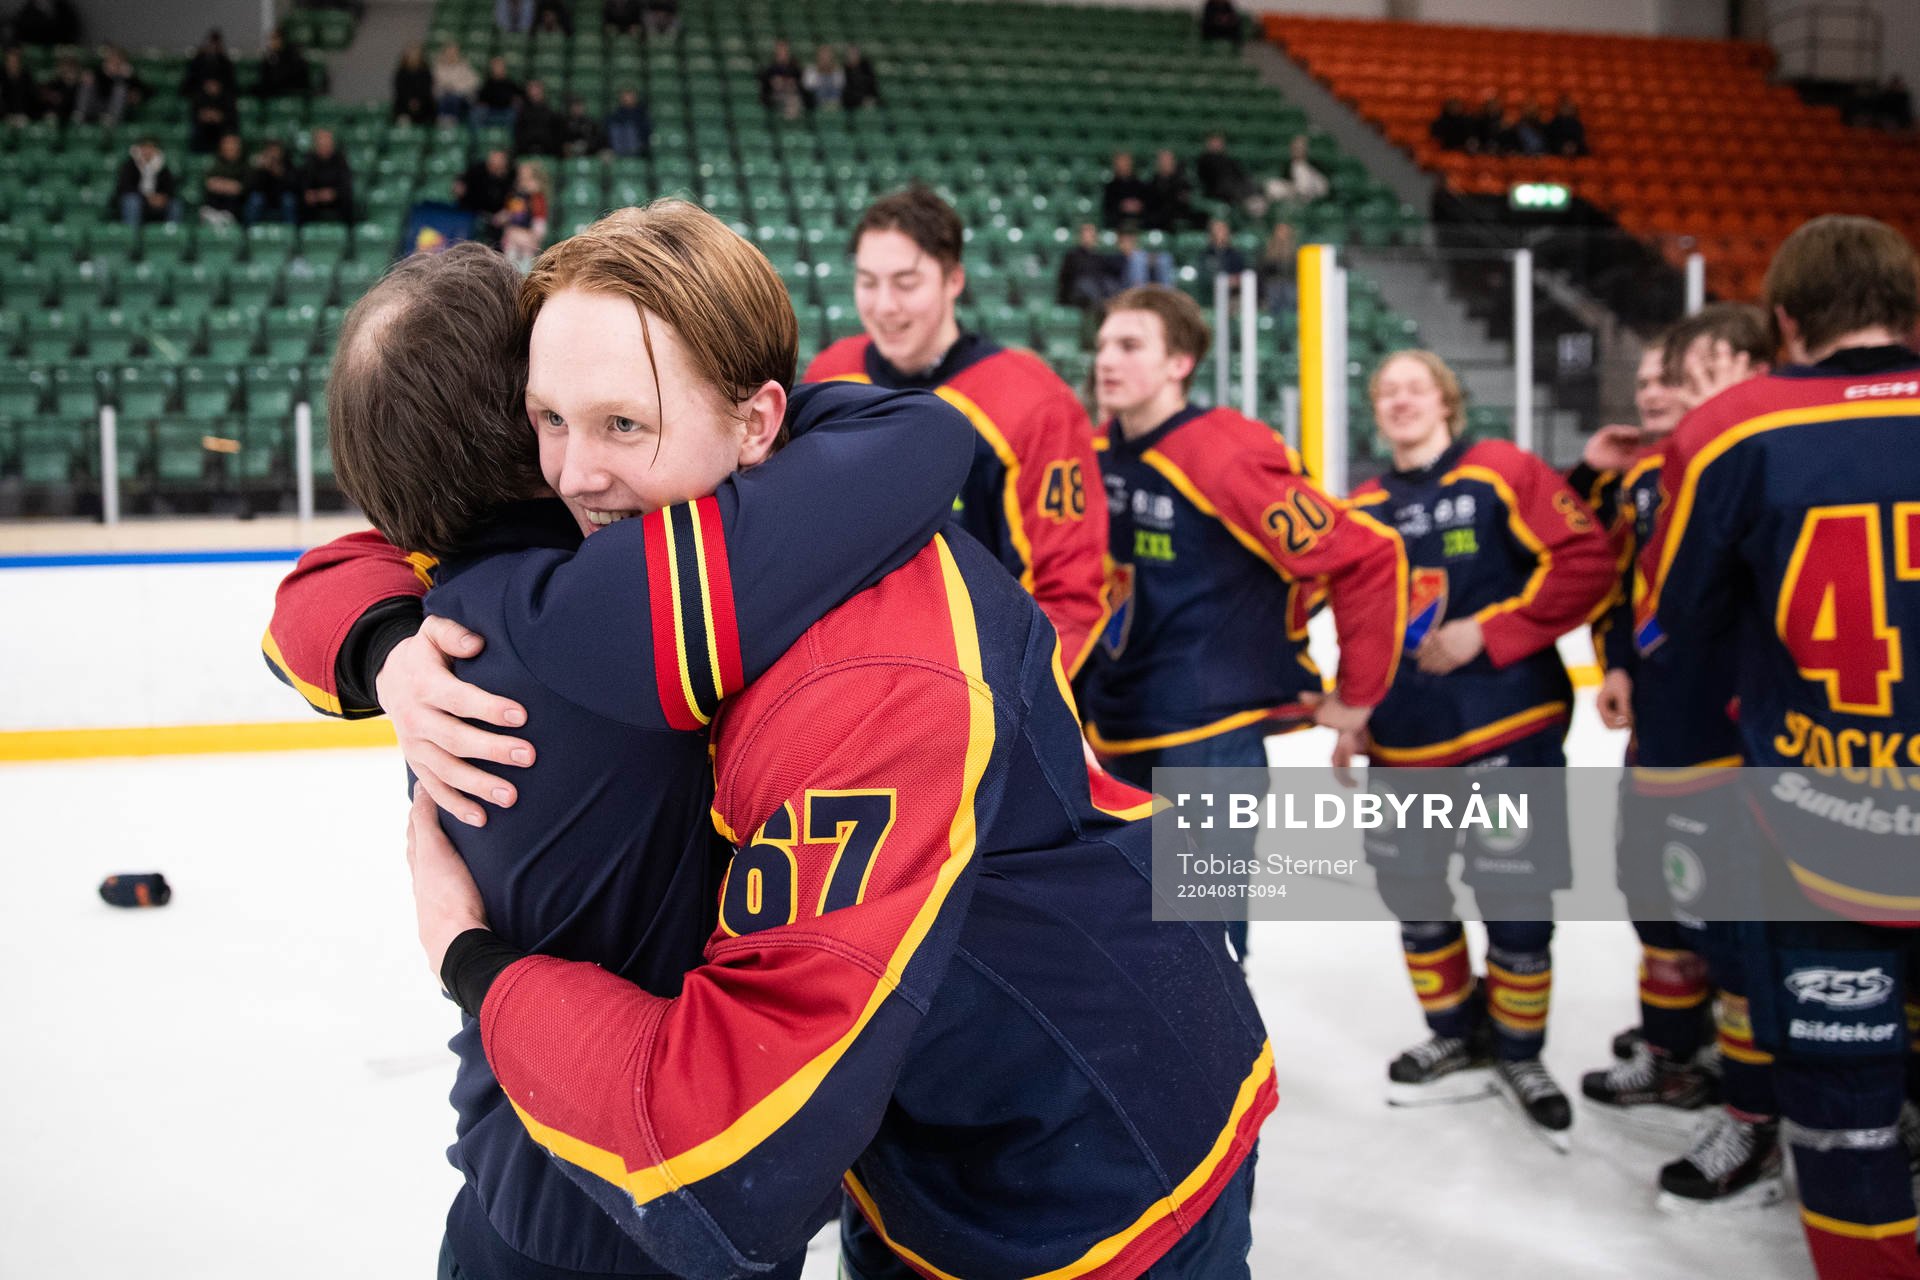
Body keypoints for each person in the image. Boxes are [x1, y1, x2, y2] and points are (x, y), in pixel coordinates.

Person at [275, 204, 1274, 1279]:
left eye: (623, 426)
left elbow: (726, 1148)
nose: (567, 474)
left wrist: (472, 960)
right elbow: (421, 515)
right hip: (922, 1114)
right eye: (547, 421)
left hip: (1085, 1168)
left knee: (1288, 864)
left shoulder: (869, 675)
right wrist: (381, 635)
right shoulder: (738, 475)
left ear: (759, 427)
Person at [271, 230, 973, 1280]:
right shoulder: (622, 607)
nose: (883, 301)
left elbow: (317, 582)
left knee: (1196, 887)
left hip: (517, 1168)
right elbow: (920, 441)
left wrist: (375, 644)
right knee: (1188, 891)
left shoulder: (448, 613)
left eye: (902, 279)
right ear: (525, 422)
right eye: (556, 414)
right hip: (653, 1180)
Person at [1636, 216, 1920, 1278]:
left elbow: (1670, 621)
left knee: (1843, 1113)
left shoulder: (1735, 427)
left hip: (1822, 827)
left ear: (1788, 321)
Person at [1084, 286, 1405, 961]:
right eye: (1103, 343)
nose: (1105, 359)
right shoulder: (1094, 452)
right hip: (1117, 724)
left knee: (1206, 945)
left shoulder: (1222, 453)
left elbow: (1366, 556)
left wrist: (1359, 694)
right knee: (1131, 941)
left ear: (1181, 362)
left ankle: (1219, 1070)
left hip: (1211, 735)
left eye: (1130, 345)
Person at [1344, 349, 1614, 1145]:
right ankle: (1456, 1034)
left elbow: (1584, 559)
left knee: (1518, 905)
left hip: (1506, 725)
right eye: (1386, 389)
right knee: (1417, 902)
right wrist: (1355, 711)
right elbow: (1361, 625)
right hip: (1404, 739)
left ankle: (1521, 1054)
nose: (1400, 400)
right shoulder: (1362, 505)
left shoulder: (1501, 470)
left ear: (1447, 401)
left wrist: (1488, 632)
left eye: (1415, 387)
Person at [1577, 306, 1784, 1213]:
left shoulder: (1770, 461)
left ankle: (1755, 1110)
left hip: (1735, 740)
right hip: (1662, 728)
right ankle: (1673, 1057)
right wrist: (1621, 657)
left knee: (1736, 931)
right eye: (1663, 373)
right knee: (1658, 901)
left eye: (1692, 369)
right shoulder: (1649, 478)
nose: (1671, 389)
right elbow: (1626, 587)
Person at [805, 185, 1111, 680]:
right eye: (867, 282)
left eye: (906, 283)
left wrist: (1005, 705)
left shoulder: (1036, 404)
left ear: (954, 280)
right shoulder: (830, 374)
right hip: (855, 684)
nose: (884, 306)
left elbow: (1070, 596)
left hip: (984, 695)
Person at [112, 137, 179, 227]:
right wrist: (146, 197)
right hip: (138, 200)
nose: (147, 151)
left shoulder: (163, 167)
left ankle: (171, 233)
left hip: (157, 203)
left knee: (174, 204)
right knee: (132, 201)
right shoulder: (129, 165)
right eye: (144, 148)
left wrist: (162, 197)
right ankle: (132, 235)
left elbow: (170, 188)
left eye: (151, 148)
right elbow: (124, 187)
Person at [1055, 220, 1119, 312]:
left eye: (1091, 235)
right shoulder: (1072, 255)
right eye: (1086, 234)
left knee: (1110, 284)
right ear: (1080, 237)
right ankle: (1102, 309)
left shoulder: (1099, 256)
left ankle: (1114, 309)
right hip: (1078, 292)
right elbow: (1064, 279)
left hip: (1097, 288)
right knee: (1086, 284)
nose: (1089, 237)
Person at [72, 45, 144, 124]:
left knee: (120, 88)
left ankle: (112, 120)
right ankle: (81, 114)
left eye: (117, 61)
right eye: (111, 60)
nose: (114, 63)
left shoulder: (128, 75)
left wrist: (128, 78)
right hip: (96, 106)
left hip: (117, 111)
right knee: (87, 82)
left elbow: (143, 92)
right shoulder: (97, 72)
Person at [497, 159, 548, 271]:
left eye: (527, 177)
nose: (523, 179)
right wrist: (503, 217)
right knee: (510, 266)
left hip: (528, 239)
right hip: (513, 237)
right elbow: (511, 212)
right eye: (521, 175)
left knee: (526, 267)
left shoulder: (537, 197)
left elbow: (540, 222)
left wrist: (533, 237)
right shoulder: (515, 195)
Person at [298, 126, 354, 223]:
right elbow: (303, 183)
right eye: (321, 141)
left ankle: (349, 235)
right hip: (315, 199)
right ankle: (302, 235)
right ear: (316, 143)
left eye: (327, 140)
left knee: (348, 202)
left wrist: (333, 193)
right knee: (302, 203)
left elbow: (346, 185)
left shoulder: (340, 159)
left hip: (335, 198)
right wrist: (316, 194)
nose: (324, 143)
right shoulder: (309, 160)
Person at [455, 147, 515, 237]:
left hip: (499, 216)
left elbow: (516, 198)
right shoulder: (477, 170)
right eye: (492, 160)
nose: (493, 163)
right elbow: (460, 183)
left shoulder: (512, 176)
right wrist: (459, 186)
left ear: (505, 162)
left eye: (498, 160)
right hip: (475, 212)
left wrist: (507, 211)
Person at [1144, 148, 1200, 232]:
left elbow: (1189, 201)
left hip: (1180, 218)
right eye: (1162, 160)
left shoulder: (1184, 182)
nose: (1165, 163)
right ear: (1157, 163)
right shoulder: (1151, 183)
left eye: (1168, 160)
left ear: (1174, 162)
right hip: (1158, 221)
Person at [199, 131, 250, 226]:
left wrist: (221, 184)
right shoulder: (216, 164)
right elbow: (209, 183)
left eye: (232, 144)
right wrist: (229, 185)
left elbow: (240, 188)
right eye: (226, 143)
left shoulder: (245, 166)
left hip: (235, 210)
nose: (229, 147)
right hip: (212, 209)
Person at [245, 138, 297, 225]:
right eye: (271, 150)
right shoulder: (259, 166)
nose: (273, 154)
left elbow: (294, 186)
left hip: (281, 197)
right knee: (255, 199)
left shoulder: (288, 164)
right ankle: (249, 231)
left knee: (289, 200)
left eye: (276, 150)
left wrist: (279, 173)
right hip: (264, 197)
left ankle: (292, 231)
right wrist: (261, 170)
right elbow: (251, 187)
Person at [1196, 131, 1254, 208]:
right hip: (1218, 192)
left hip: (1238, 190)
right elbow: (1207, 180)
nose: (1217, 144)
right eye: (1214, 142)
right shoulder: (1204, 160)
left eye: (1219, 142)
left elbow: (1241, 174)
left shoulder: (1229, 160)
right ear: (1208, 144)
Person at [511, 78, 565, 157]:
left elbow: (557, 134)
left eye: (537, 89)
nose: (535, 93)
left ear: (542, 91)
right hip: (526, 151)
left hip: (548, 151)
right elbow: (518, 135)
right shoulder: (522, 113)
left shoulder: (551, 113)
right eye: (532, 90)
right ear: (527, 92)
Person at [187, 74, 238, 154]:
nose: (212, 87)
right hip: (202, 133)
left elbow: (232, 117)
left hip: (222, 129)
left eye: (214, 84)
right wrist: (204, 116)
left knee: (229, 135)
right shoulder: (198, 98)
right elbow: (194, 115)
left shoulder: (227, 98)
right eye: (209, 84)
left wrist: (220, 117)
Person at [256, 28, 311, 100]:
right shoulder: (270, 58)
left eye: (274, 39)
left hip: (292, 94)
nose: (270, 43)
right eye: (269, 39)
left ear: (282, 40)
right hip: (275, 94)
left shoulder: (294, 58)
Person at [431, 41, 478, 122]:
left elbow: (474, 82)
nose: (451, 55)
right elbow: (434, 83)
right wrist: (445, 87)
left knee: (453, 98)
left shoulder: (464, 66)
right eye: (448, 52)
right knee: (446, 98)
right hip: (442, 95)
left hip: (460, 96)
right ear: (444, 53)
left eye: (454, 52)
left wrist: (456, 87)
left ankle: (451, 122)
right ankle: (443, 121)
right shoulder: (437, 67)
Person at [1101, 150, 1147, 230]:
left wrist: (1138, 206)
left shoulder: (1142, 186)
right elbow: (1107, 211)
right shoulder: (1110, 187)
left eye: (1125, 163)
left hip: (1140, 225)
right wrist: (1121, 206)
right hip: (1117, 226)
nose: (1123, 166)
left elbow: (1149, 209)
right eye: (1120, 164)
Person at [757, 38, 803, 118]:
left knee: (794, 100)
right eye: (779, 51)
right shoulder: (769, 69)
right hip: (774, 97)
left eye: (784, 51)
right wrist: (772, 83)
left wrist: (790, 84)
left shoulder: (795, 68)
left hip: (791, 96)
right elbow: (764, 90)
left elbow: (801, 85)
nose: (782, 53)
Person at [1259, 221, 1297, 317]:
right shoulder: (1269, 250)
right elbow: (1264, 270)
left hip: (1290, 285)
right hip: (1273, 286)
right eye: (1280, 230)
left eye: (1284, 230)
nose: (1282, 234)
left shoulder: (1294, 250)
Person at [183, 28, 235, 96]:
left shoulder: (225, 62)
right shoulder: (198, 61)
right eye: (211, 43)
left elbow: (230, 81)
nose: (213, 46)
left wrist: (218, 86)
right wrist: (205, 85)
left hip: (221, 94)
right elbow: (190, 80)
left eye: (216, 43)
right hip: (200, 92)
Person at [472, 55, 519, 130]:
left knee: (514, 114)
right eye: (495, 66)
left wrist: (516, 101)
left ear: (504, 68)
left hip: (506, 110)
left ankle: (510, 139)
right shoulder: (488, 83)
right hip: (490, 110)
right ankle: (480, 138)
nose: (498, 69)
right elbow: (481, 98)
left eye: (500, 66)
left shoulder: (510, 83)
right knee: (477, 113)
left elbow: (518, 95)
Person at [392, 43, 434, 124]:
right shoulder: (400, 73)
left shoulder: (426, 71)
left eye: (416, 54)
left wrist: (418, 102)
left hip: (424, 105)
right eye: (411, 54)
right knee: (402, 118)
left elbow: (427, 88)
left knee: (429, 113)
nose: (413, 57)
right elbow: (399, 90)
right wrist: (409, 101)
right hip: (404, 105)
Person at [1198, 217, 1246, 285]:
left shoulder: (1237, 256)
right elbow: (1202, 277)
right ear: (1210, 235)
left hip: (1233, 293)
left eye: (1223, 230)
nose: (1220, 234)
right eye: (1216, 230)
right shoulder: (1203, 256)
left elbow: (1243, 277)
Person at [604, 86, 649, 157]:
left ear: (635, 98)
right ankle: (618, 154)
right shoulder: (618, 112)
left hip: (636, 143)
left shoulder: (641, 112)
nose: (626, 99)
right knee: (615, 128)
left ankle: (627, 154)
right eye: (624, 97)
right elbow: (609, 123)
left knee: (629, 130)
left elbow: (645, 130)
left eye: (629, 97)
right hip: (620, 143)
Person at [801, 42, 841, 109]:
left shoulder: (837, 71)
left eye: (827, 56)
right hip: (816, 105)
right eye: (822, 56)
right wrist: (819, 72)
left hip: (834, 106)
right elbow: (807, 86)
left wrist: (830, 72)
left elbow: (839, 87)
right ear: (818, 57)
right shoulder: (810, 70)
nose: (825, 59)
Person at [0, 45, 33, 122]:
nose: (13, 64)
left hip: (23, 117)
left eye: (15, 61)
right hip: (4, 118)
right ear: (6, 62)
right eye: (10, 61)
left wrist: (25, 115)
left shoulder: (26, 77)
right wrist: (5, 116)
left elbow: (31, 99)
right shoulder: (1, 76)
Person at [841, 43, 877, 109]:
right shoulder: (844, 70)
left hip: (868, 99)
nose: (853, 56)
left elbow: (872, 86)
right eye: (850, 54)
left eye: (855, 53)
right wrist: (861, 100)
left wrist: (870, 98)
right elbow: (846, 90)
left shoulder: (866, 68)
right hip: (851, 103)